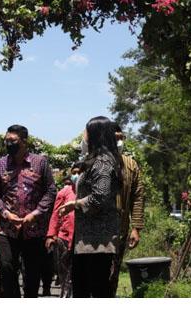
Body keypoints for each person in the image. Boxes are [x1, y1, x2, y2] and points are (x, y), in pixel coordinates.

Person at [0, 124, 57, 298]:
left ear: (24, 142)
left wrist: (36, 214)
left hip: (33, 230)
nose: (8, 143)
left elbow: (51, 191)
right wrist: (5, 213)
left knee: (32, 274)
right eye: (6, 140)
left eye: (13, 141)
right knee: (7, 268)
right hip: (7, 229)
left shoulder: (40, 162)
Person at [59, 116, 122, 298]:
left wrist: (75, 204)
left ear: (96, 135)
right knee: (83, 290)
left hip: (97, 242)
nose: (83, 138)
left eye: (85, 133)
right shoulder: (95, 161)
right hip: (87, 241)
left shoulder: (102, 163)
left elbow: (100, 197)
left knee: (96, 290)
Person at [110, 122, 146, 296]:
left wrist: (136, 228)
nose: (119, 142)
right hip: (95, 233)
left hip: (121, 230)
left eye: (121, 138)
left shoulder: (131, 165)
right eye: (115, 138)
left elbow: (138, 197)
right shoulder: (95, 162)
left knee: (114, 272)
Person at [46, 164, 80, 297]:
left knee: (77, 272)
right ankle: (65, 295)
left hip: (81, 239)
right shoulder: (63, 193)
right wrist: (51, 235)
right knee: (64, 272)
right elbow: (55, 214)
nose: (76, 175)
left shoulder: (88, 191)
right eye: (74, 172)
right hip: (64, 238)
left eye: (79, 172)